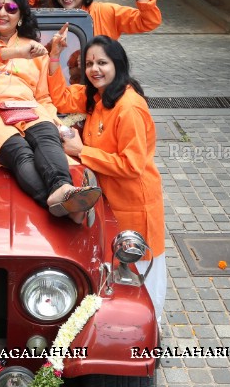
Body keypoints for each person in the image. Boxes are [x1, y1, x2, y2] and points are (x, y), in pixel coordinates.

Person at [0, 0, 101, 221]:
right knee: (21, 152)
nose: (2, 12)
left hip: (27, 108)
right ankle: (70, 207)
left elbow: (42, 97)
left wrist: (56, 124)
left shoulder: (36, 52)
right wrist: (15, 52)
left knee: (47, 137)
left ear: (21, 16)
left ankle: (63, 189)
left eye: (11, 7)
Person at [53, 36, 167, 319]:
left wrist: (83, 151)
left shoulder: (129, 107)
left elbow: (132, 165)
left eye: (102, 62)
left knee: (142, 276)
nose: (94, 69)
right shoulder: (98, 96)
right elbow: (60, 98)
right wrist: (54, 58)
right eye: (89, 63)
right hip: (111, 201)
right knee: (117, 272)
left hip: (134, 205)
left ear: (117, 65)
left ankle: (152, 335)